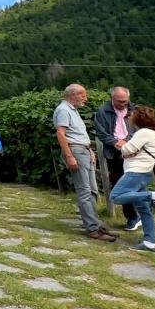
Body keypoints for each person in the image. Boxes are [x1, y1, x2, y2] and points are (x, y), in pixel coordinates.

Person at [54, 84, 116, 241]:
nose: (85, 99)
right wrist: (69, 156)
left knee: (93, 190)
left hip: (83, 151)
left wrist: (89, 151)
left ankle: (95, 223)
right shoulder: (63, 110)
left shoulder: (72, 110)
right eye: (83, 95)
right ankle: (92, 228)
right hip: (76, 151)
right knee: (84, 191)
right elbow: (61, 134)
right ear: (73, 95)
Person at [108, 105, 155, 253]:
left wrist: (122, 145)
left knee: (115, 196)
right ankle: (150, 242)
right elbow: (129, 153)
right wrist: (127, 151)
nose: (129, 118)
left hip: (136, 172)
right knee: (143, 208)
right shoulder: (149, 133)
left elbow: (126, 150)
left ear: (138, 118)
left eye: (131, 115)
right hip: (143, 172)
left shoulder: (143, 133)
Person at [94, 86, 139, 230]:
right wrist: (115, 143)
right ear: (112, 99)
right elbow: (101, 132)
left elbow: (140, 129)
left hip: (133, 152)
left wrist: (126, 141)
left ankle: (143, 216)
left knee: (138, 184)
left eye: (125, 101)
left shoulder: (135, 110)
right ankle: (132, 217)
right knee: (120, 185)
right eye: (120, 101)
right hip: (113, 153)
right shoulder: (102, 111)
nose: (123, 104)